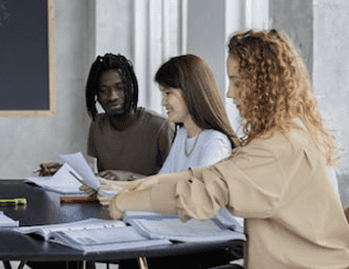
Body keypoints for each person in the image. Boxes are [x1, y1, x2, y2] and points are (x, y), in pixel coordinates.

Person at [104, 30, 349, 268]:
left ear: (264, 85)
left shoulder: (278, 148)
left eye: (237, 82)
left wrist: (127, 202)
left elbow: (205, 194)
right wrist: (155, 182)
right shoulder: (290, 132)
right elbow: (221, 172)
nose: (230, 94)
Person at [101, 54, 243, 268]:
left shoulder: (215, 142)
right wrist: (115, 188)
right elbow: (162, 182)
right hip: (189, 234)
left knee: (135, 257)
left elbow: (192, 197)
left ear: (191, 93)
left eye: (168, 93)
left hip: (214, 245)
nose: (163, 102)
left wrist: (126, 197)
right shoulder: (184, 135)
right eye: (162, 93)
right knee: (131, 255)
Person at [85, 53, 173, 181]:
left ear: (132, 88)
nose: (112, 97)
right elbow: (105, 179)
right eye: (103, 91)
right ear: (96, 96)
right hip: (112, 199)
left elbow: (174, 181)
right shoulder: (97, 125)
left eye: (120, 88)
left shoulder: (160, 126)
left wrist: (127, 178)